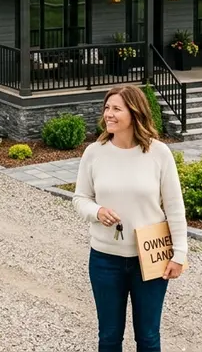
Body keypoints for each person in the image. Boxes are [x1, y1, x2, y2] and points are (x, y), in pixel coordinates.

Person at [73, 85, 187, 352]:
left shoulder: (159, 153)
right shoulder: (94, 152)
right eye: (107, 108)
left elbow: (174, 206)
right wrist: (97, 212)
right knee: (109, 336)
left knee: (148, 337)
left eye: (116, 109)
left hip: (150, 257)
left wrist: (179, 253)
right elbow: (80, 199)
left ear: (134, 113)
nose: (108, 114)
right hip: (104, 259)